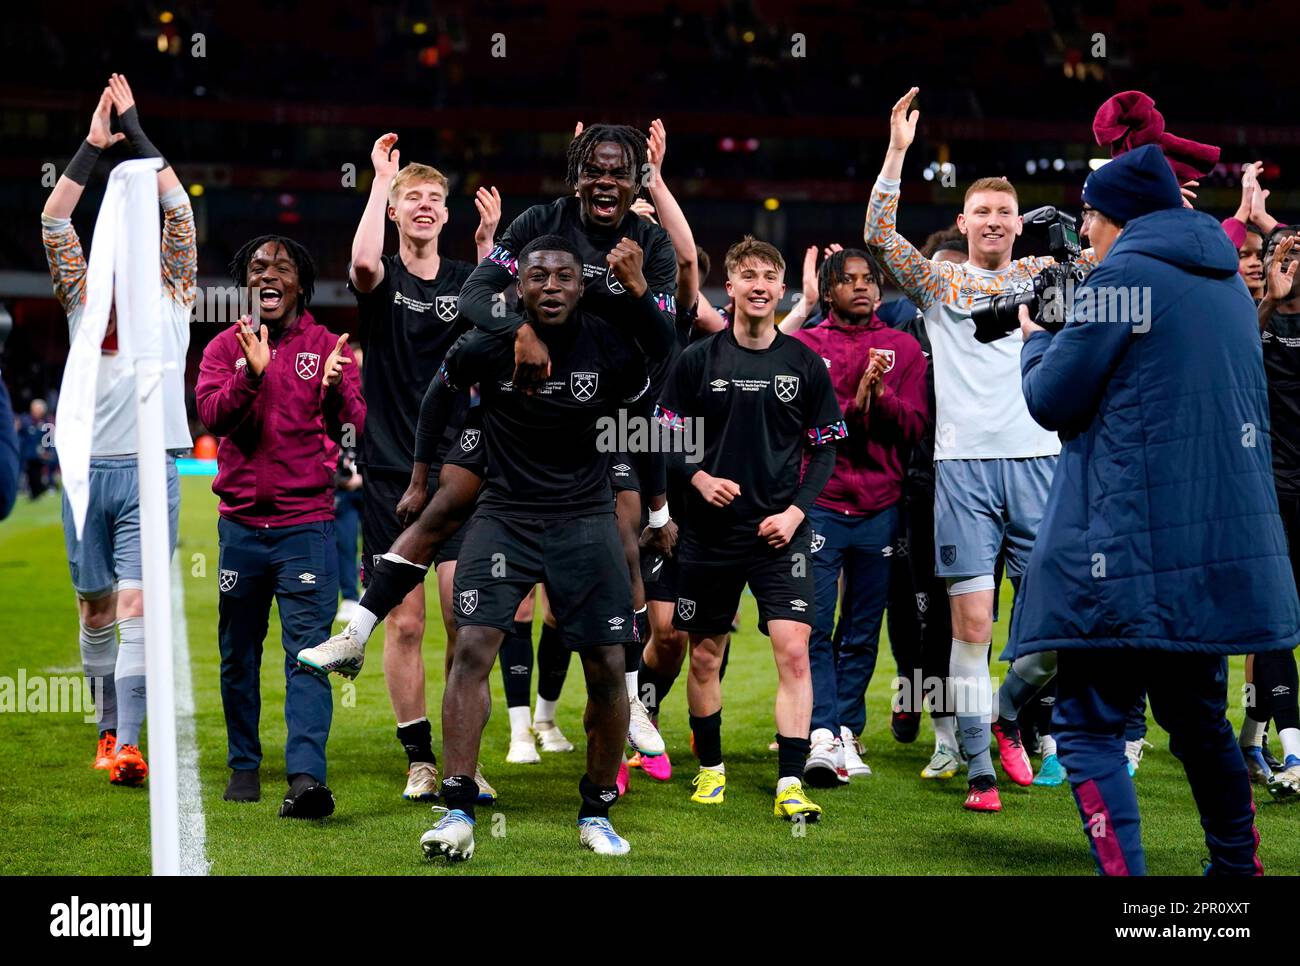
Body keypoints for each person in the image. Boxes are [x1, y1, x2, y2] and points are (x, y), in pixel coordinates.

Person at [1010, 143, 1300, 875]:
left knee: (1086, 729)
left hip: (1124, 550)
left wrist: (1038, 336)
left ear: (1119, 215)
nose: (1084, 234)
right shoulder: (1229, 282)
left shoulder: (1126, 273)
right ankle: (1237, 871)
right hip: (1211, 553)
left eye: (1089, 217)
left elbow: (1051, 401)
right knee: (1200, 722)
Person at [864, 88, 1098, 811]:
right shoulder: (940, 282)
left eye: (1005, 212)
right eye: (983, 212)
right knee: (969, 625)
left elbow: (1121, 255)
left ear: (1018, 223)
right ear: (963, 222)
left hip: (1040, 463)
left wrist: (1108, 193)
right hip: (962, 471)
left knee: (1059, 621)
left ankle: (1012, 718)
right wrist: (899, 153)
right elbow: (878, 235)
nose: (994, 221)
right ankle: (978, 770)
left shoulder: (1044, 278)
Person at [418, 235, 653, 858]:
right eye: (537, 276)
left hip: (586, 520)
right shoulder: (486, 343)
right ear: (517, 287)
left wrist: (639, 295)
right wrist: (421, 473)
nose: (551, 286)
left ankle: (596, 811)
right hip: (504, 516)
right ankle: (458, 807)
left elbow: (662, 359)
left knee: (606, 667)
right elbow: (438, 392)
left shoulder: (606, 339)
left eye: (564, 277)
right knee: (471, 648)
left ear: (582, 286)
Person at [657, 236, 843, 821]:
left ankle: (790, 781)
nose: (760, 285)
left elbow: (827, 449)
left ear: (782, 289)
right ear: (729, 288)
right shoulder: (698, 360)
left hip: (778, 535)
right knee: (705, 655)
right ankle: (711, 769)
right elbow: (663, 433)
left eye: (770, 276)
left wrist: (796, 511)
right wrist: (698, 477)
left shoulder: (805, 363)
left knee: (795, 653)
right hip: (709, 534)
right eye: (749, 276)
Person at [42, 74, 194, 787]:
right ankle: (105, 727)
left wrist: (137, 133)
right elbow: (53, 222)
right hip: (85, 469)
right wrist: (91, 147)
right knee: (95, 607)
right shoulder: (80, 293)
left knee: (135, 603)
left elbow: (181, 215)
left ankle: (127, 742)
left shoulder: (173, 291)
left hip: (148, 468)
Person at [347, 133, 499, 800]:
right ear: (395, 211)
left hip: (462, 471)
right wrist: (381, 179)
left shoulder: (468, 280)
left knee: (462, 618)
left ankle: (464, 757)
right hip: (388, 471)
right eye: (414, 198)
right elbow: (358, 264)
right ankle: (420, 760)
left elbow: (502, 319)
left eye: (436, 199)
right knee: (404, 622)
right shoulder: (385, 280)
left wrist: (490, 244)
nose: (427, 207)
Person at [196, 234, 365, 817]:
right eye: (257, 265)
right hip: (241, 528)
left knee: (310, 655)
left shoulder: (326, 347)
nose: (268, 273)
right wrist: (249, 372)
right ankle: (245, 762)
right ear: (247, 281)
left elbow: (358, 425)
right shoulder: (223, 346)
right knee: (237, 652)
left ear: (300, 283)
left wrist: (342, 390)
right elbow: (212, 416)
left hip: (306, 526)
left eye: (282, 266)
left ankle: (305, 778)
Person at [791, 249, 927, 785]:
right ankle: (821, 732)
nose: (862, 287)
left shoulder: (903, 348)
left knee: (863, 629)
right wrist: (855, 409)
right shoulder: (803, 348)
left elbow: (916, 427)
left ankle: (847, 728)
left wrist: (884, 399)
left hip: (880, 507)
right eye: (848, 280)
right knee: (817, 624)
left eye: (869, 279)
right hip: (821, 504)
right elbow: (800, 430)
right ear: (827, 291)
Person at [1250, 226, 1300, 798]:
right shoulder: (1252, 319)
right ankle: (1291, 752)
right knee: (1276, 622)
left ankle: (1254, 734)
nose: (1285, 262)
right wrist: (1267, 299)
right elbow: (1233, 355)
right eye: (1276, 255)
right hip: (1266, 495)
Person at [333, 342, 364, 626]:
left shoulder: (375, 404)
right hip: (342, 489)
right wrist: (341, 478)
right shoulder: (334, 404)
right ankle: (349, 596)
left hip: (370, 485)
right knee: (344, 542)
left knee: (375, 542)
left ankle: (371, 590)